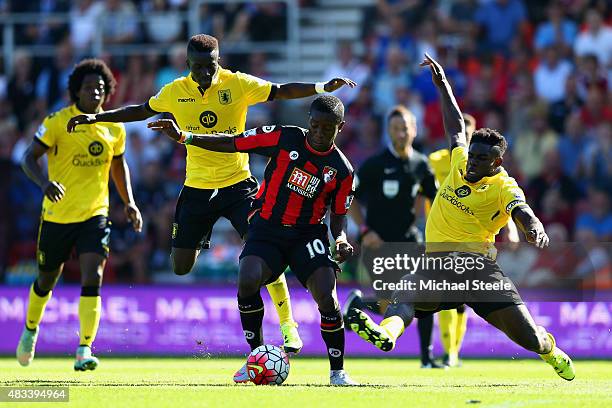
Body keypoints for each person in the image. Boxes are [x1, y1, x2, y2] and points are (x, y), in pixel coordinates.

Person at [67, 34, 356, 353]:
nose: (206, 72)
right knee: (180, 265)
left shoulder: (237, 84)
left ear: (220, 60)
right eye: (199, 67)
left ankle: (288, 327)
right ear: (188, 64)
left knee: (263, 248)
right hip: (197, 188)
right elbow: (140, 110)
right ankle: (204, 243)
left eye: (212, 65)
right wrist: (97, 117)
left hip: (238, 183)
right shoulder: (175, 91)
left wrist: (320, 88)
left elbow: (279, 91)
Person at [346, 54, 575, 381]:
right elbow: (454, 126)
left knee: (529, 339)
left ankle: (550, 349)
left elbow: (522, 211)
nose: (471, 163)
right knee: (406, 296)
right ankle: (387, 334)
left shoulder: (502, 185)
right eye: (471, 156)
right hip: (437, 265)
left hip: (477, 270)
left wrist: (534, 227)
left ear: (495, 164)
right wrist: (443, 85)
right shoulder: (459, 161)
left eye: (481, 160)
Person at [148, 95, 358, 386]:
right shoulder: (285, 138)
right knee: (247, 278)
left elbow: (338, 215)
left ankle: (338, 372)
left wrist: (341, 238)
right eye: (315, 125)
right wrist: (186, 137)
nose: (320, 132)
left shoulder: (343, 170)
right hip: (268, 230)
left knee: (326, 294)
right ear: (308, 121)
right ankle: (257, 358)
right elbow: (233, 142)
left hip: (307, 234)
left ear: (341, 127)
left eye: (328, 127)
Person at [16, 59, 143, 370]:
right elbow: (28, 158)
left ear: (107, 92)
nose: (95, 91)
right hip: (58, 216)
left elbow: (118, 165)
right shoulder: (58, 122)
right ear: (76, 92)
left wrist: (129, 202)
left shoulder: (114, 126)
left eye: (100, 87)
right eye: (88, 87)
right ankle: (31, 330)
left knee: (93, 275)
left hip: (94, 215)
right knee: (47, 280)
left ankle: (84, 349)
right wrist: (45, 183)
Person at [342, 105, 444, 368]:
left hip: (411, 242)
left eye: (406, 128)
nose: (402, 133)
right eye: (396, 129)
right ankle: (360, 305)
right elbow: (349, 199)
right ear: (388, 132)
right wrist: (364, 231)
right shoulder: (375, 165)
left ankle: (427, 358)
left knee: (423, 295)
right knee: (392, 305)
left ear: (414, 130)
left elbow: (437, 201)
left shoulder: (422, 165)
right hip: (378, 245)